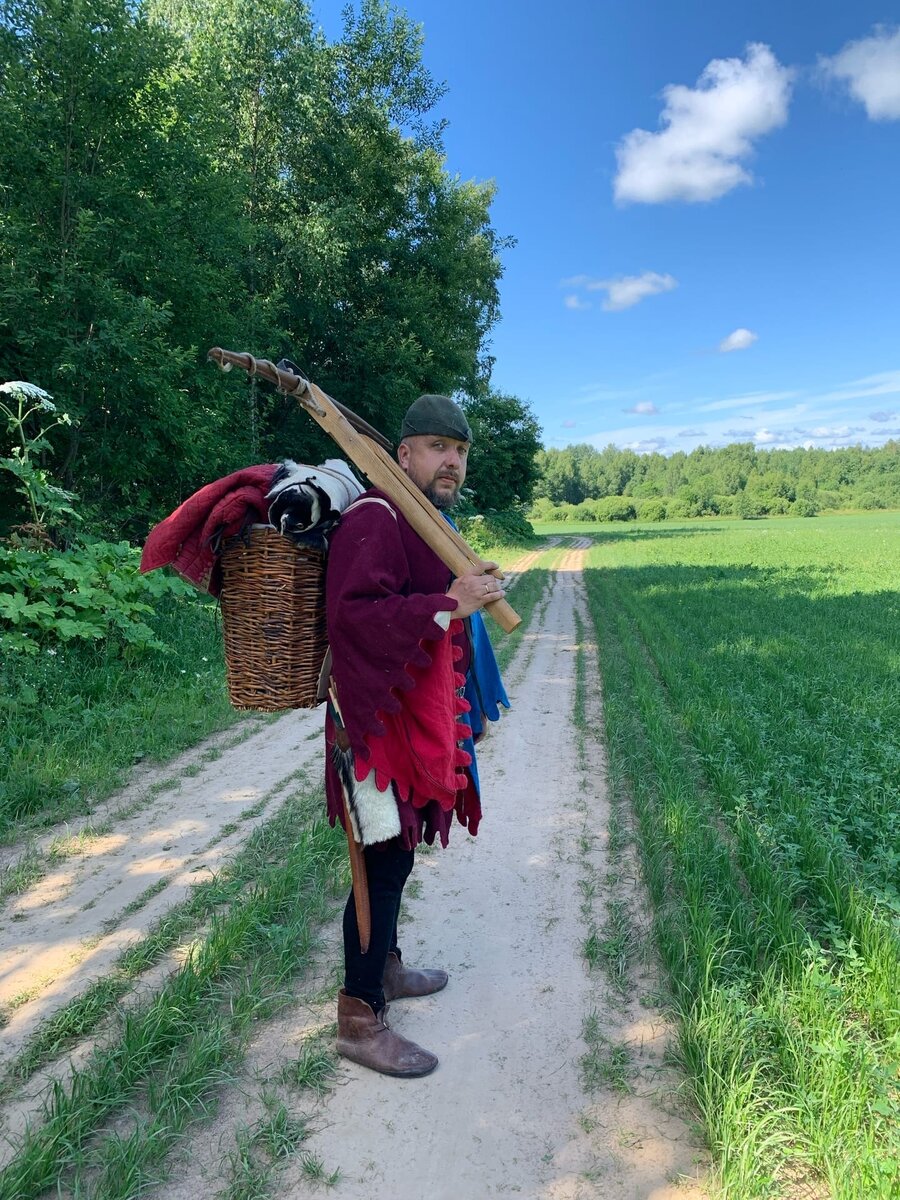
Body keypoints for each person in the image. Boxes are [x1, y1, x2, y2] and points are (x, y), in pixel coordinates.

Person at [324, 394, 509, 1078]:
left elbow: (442, 602)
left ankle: (389, 969)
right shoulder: (376, 516)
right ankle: (358, 1016)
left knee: (398, 858)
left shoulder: (427, 522)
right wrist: (445, 604)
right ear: (402, 454)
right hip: (371, 728)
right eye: (435, 446)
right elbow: (354, 620)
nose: (451, 460)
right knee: (376, 868)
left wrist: (470, 594)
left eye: (458, 450)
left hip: (408, 724)